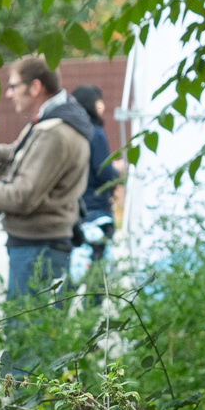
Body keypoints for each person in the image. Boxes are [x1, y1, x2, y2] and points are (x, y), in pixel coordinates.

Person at [0, 56, 100, 311]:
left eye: (14, 86)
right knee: (36, 334)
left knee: (26, 340)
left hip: (38, 250)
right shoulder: (52, 121)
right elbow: (20, 154)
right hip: (41, 246)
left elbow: (22, 196)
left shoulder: (54, 131)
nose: (8, 94)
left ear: (35, 87)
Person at [68, 82, 120, 304]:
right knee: (96, 282)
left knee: (70, 278)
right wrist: (117, 172)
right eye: (100, 101)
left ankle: (57, 330)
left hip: (74, 213)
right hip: (97, 213)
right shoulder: (95, 134)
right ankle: (90, 333)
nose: (103, 106)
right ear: (91, 104)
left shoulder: (68, 133)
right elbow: (104, 170)